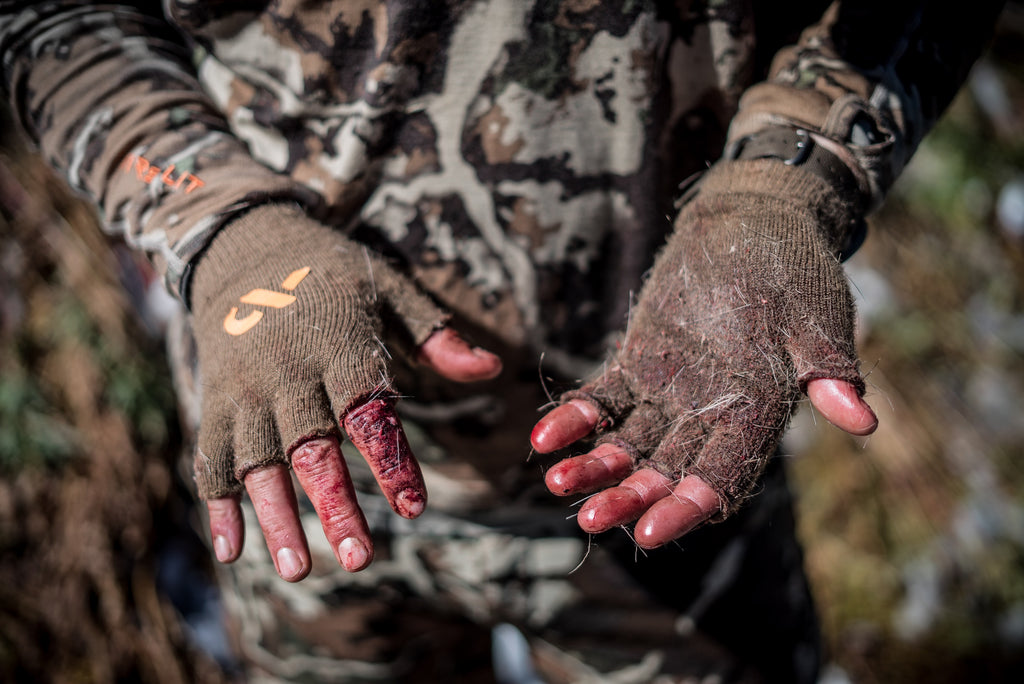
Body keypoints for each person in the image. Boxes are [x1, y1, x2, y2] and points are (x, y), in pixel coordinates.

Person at [0, 1, 1005, 682]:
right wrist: (216, 220)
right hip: (300, 477)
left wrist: (788, 177)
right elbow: (53, 19)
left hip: (666, 448)